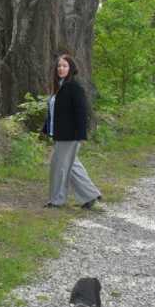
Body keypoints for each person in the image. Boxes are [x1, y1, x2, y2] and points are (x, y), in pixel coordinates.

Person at [42, 54, 102, 209]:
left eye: (65, 66)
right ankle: (90, 195)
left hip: (70, 135)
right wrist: (46, 129)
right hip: (60, 133)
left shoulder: (74, 87)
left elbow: (81, 112)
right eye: (59, 66)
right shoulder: (59, 87)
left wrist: (81, 134)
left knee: (59, 166)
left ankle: (57, 200)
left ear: (71, 68)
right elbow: (54, 112)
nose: (61, 69)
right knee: (72, 165)